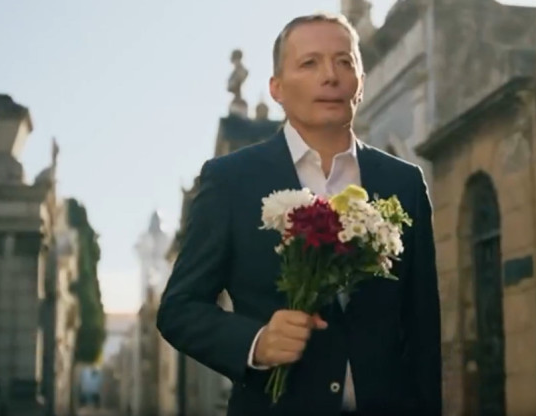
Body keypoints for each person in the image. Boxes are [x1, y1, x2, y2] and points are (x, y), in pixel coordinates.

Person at [157, 12, 441, 416]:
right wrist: (255, 341)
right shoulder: (229, 180)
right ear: (276, 88)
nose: (331, 76)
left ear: (360, 83)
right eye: (310, 63)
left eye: (345, 62)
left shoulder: (405, 181)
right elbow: (179, 309)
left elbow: (422, 328)